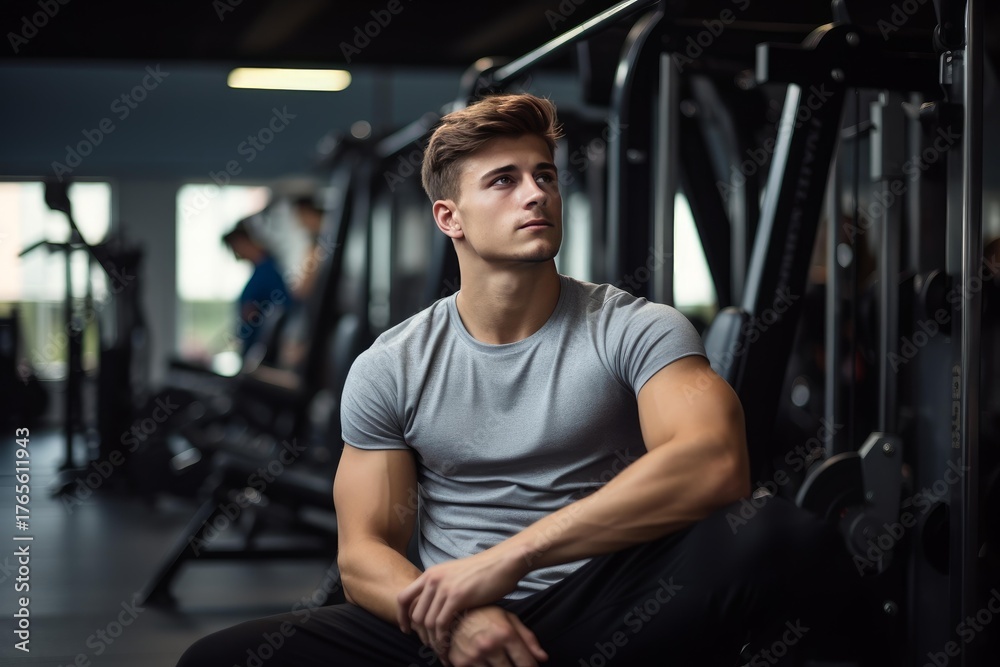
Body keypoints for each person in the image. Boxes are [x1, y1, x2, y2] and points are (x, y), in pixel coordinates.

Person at [179, 94, 847, 666]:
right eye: (503, 180)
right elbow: (362, 556)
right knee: (217, 659)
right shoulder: (393, 363)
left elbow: (716, 462)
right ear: (450, 217)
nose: (536, 193)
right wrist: (454, 622)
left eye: (545, 176)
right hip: (451, 614)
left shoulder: (634, 327)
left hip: (600, 603)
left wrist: (515, 556)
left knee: (776, 534)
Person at [221, 218, 292, 360]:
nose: (235, 252)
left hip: (259, 355)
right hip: (250, 353)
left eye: (235, 247)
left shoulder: (268, 272)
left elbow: (284, 309)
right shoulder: (260, 271)